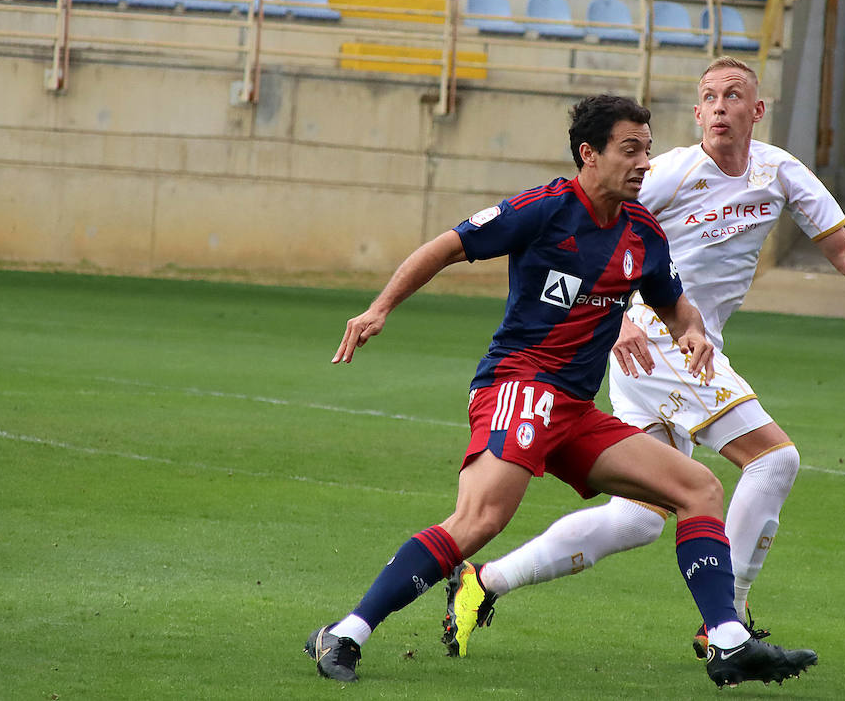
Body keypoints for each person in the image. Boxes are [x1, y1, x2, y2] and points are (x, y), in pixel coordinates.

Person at [440, 57, 845, 664]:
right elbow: (596, 223)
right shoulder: (670, 172)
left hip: (674, 348)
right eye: (708, 96)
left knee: (640, 517)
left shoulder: (780, 171)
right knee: (773, 459)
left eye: (733, 96)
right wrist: (622, 314)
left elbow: (843, 252)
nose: (718, 107)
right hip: (661, 343)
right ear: (697, 112)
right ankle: (724, 625)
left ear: (755, 111)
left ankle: (484, 582)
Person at [305, 94, 817, 688]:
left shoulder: (642, 232)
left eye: (646, 149)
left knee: (697, 487)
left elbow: (674, 305)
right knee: (480, 519)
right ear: (588, 154)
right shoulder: (545, 210)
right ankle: (344, 634)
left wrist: (693, 334)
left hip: (573, 409)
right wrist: (379, 309)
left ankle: (728, 640)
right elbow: (445, 247)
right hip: (518, 386)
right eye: (629, 149)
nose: (642, 162)